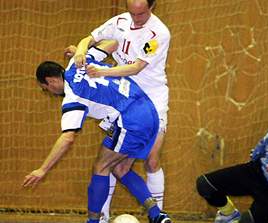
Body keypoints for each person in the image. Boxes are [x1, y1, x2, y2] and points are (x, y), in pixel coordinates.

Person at [22, 47, 171, 223]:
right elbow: (112, 42)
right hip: (150, 110)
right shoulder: (78, 62)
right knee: (119, 168)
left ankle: (93, 221)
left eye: (45, 88)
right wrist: (81, 48)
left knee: (101, 166)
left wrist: (43, 169)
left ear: (51, 81)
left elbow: (68, 138)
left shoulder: (72, 98)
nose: (49, 92)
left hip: (130, 120)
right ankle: (157, 215)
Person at [72, 0, 171, 221]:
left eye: (141, 14)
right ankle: (104, 215)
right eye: (132, 12)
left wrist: (102, 72)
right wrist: (80, 50)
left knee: (152, 159)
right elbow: (90, 38)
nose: (135, 18)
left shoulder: (158, 33)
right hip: (124, 99)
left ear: (152, 7)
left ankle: (157, 215)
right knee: (113, 162)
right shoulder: (120, 21)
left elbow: (136, 67)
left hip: (151, 100)